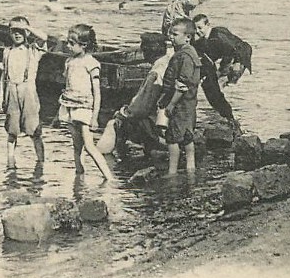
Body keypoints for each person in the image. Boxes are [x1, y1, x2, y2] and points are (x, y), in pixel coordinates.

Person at [97, 32, 173, 160]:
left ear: (147, 51)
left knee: (113, 124)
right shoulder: (169, 62)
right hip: (170, 118)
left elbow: (141, 107)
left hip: (158, 124)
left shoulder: (155, 72)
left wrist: (122, 113)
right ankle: (123, 157)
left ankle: (103, 159)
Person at [58, 24, 113, 179]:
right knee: (76, 146)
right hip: (69, 105)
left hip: (84, 108)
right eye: (67, 42)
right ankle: (79, 176)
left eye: (71, 43)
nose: (67, 46)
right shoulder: (69, 62)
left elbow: (97, 92)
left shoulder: (91, 63)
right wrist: (59, 111)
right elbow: (67, 86)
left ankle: (109, 177)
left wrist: (95, 117)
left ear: (83, 45)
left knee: (89, 146)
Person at [0, 17, 46, 168]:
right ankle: (10, 161)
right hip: (11, 90)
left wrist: (27, 27)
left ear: (26, 32)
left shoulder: (33, 50)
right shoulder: (7, 51)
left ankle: (41, 162)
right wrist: (0, 97)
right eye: (14, 31)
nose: (17, 34)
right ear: (9, 33)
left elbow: (44, 37)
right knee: (12, 130)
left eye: (20, 31)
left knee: (34, 130)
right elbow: (3, 76)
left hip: (28, 92)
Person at [192, 14, 252, 130]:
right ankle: (223, 115)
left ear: (208, 25)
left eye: (200, 28)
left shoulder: (218, 35)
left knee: (220, 83)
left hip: (239, 55)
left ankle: (230, 119)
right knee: (209, 85)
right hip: (226, 58)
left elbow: (239, 47)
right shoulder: (204, 40)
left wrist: (238, 63)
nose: (198, 31)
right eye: (196, 29)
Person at [158, 17, 202, 175]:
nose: (171, 37)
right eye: (170, 33)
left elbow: (182, 85)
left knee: (172, 138)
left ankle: (172, 171)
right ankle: (191, 167)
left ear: (188, 37)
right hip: (189, 104)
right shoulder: (190, 53)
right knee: (187, 137)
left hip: (180, 103)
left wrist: (171, 104)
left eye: (175, 34)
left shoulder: (184, 56)